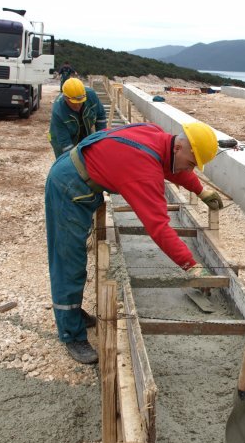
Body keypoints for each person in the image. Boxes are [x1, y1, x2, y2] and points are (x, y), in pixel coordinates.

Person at [45, 121, 225, 364]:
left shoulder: (158, 137)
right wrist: (190, 264)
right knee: (69, 260)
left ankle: (74, 315)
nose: (190, 169)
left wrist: (200, 190)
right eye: (192, 164)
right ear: (179, 147)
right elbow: (158, 226)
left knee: (73, 257)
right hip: (69, 186)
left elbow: (172, 169)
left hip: (80, 176)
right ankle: (70, 333)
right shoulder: (143, 167)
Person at [49, 77, 107, 159]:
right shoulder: (58, 110)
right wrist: (73, 160)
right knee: (66, 162)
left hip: (84, 130)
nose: (78, 106)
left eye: (80, 102)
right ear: (66, 98)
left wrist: (101, 139)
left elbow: (101, 117)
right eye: (74, 103)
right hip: (60, 138)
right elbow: (65, 143)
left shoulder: (91, 96)